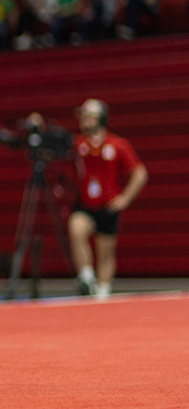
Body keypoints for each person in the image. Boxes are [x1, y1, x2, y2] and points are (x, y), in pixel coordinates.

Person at [68, 99, 148, 299]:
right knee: (76, 228)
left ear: (101, 119)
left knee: (106, 252)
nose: (84, 121)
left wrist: (125, 199)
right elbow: (56, 142)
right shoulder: (77, 144)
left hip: (108, 206)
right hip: (86, 205)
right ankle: (86, 275)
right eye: (83, 117)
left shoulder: (118, 144)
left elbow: (140, 173)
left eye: (90, 117)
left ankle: (103, 294)